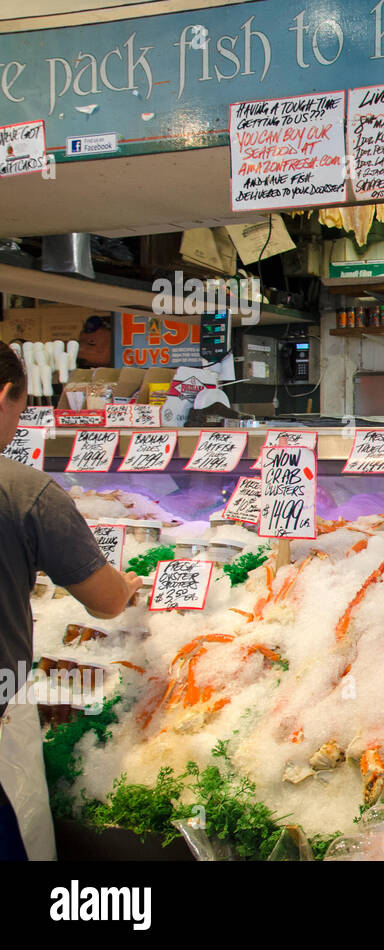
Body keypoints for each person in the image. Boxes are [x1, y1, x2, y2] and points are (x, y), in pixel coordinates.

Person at [0, 346, 141, 860]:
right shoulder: (22, 490)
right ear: (3, 399)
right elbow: (105, 602)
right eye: (19, 411)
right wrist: (125, 585)